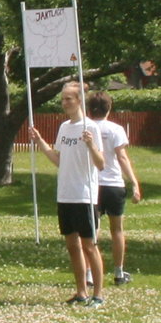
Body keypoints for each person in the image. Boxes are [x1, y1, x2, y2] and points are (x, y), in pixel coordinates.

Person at [55, 84, 107, 304]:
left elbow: (101, 163)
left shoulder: (91, 128)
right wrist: (38, 141)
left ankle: (98, 294)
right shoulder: (64, 128)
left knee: (89, 246)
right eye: (63, 99)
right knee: (72, 246)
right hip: (64, 195)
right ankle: (81, 292)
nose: (65, 103)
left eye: (69, 99)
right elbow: (59, 159)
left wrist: (91, 145)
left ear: (79, 100)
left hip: (84, 195)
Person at [92, 92, 145, 283]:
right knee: (117, 230)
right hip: (113, 183)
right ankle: (118, 272)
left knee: (93, 228)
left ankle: (91, 272)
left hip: (93, 184)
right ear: (109, 108)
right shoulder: (115, 129)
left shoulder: (86, 128)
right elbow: (121, 157)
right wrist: (134, 182)